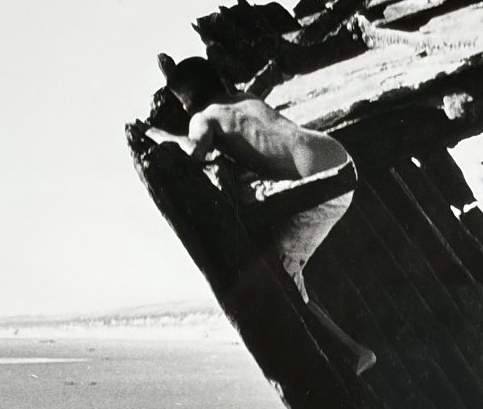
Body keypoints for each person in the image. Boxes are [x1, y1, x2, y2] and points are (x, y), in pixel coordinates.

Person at [147, 53, 376, 375]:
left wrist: (162, 135)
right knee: (261, 209)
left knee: (285, 276)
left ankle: (355, 353)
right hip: (339, 161)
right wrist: (173, 75)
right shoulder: (245, 99)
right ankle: (351, 351)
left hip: (324, 189)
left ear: (186, 102)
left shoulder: (203, 119)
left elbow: (194, 153)